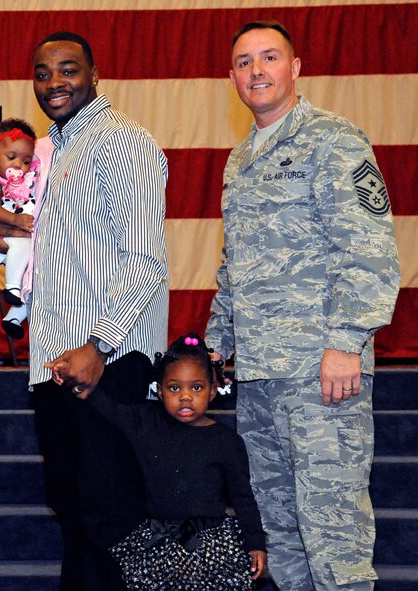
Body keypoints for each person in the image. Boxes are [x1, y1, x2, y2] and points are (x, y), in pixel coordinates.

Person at [205, 20, 401, 591]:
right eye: (244, 62)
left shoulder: (333, 139)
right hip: (260, 376)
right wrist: (220, 341)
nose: (256, 70)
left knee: (333, 533)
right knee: (279, 528)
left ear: (296, 68)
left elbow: (367, 250)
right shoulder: (240, 159)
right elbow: (234, 262)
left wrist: (346, 342)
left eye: (269, 58)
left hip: (321, 372)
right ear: (232, 77)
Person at [0, 31, 169, 589]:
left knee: (110, 516)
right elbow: (53, 244)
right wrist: (3, 236)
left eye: (68, 70)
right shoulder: (47, 153)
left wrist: (100, 345)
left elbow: (145, 262)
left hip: (107, 361)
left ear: (94, 73)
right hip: (53, 362)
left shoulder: (123, 142)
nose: (54, 82)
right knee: (73, 506)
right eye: (43, 73)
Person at [69, 334, 267, 590]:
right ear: (160, 391)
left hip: (213, 545)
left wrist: (255, 543)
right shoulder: (145, 424)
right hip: (157, 542)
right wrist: (75, 379)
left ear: (212, 389)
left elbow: (243, 497)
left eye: (196, 387)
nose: (186, 396)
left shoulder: (226, 441)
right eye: (175, 388)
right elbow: (106, 407)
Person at [0, 118, 39, 338]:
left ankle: (14, 317)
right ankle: (12, 287)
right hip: (5, 238)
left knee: (35, 280)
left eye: (26, 161)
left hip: (25, 240)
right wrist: (17, 221)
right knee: (22, 247)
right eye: (11, 157)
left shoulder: (29, 183)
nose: (18, 165)